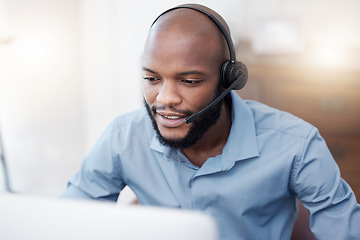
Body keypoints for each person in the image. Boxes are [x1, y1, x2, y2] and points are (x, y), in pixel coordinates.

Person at [62, 4, 360, 239]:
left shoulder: (296, 145)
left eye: (189, 80)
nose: (165, 99)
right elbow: (66, 221)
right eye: (152, 78)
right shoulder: (123, 137)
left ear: (229, 80)